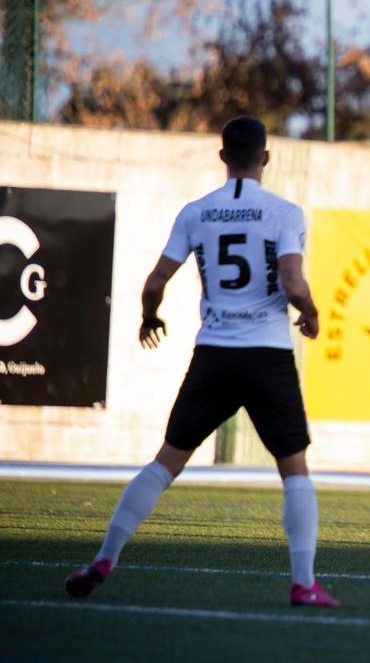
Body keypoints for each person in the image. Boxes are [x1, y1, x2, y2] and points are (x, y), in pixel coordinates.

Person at [64, 116, 338, 607]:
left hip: (213, 354)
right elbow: (294, 284)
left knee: (166, 461)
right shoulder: (283, 212)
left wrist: (150, 318)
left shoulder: (197, 212)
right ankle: (303, 584)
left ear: (222, 157)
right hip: (267, 357)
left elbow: (153, 283)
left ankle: (105, 557)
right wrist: (312, 313)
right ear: (266, 158)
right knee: (294, 470)